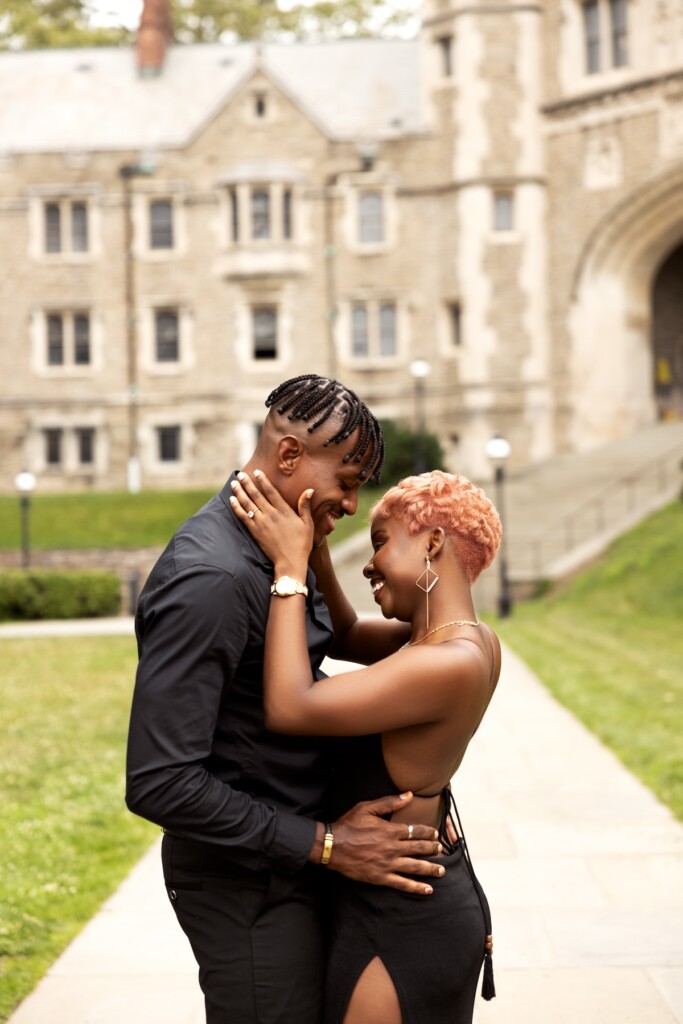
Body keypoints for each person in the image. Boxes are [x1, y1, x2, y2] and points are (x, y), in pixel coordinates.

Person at [125, 374, 444, 1024]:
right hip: (249, 886)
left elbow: (346, 635)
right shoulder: (211, 580)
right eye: (348, 481)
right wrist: (325, 844)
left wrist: (458, 633)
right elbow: (159, 781)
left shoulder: (288, 542)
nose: (355, 505)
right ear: (290, 457)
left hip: (301, 861)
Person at [229, 466, 502, 1024]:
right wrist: (315, 548)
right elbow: (348, 633)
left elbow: (290, 706)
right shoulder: (455, 640)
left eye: (380, 542)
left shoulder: (447, 663)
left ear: (432, 543)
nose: (370, 561)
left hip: (400, 921)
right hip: (385, 892)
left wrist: (288, 570)